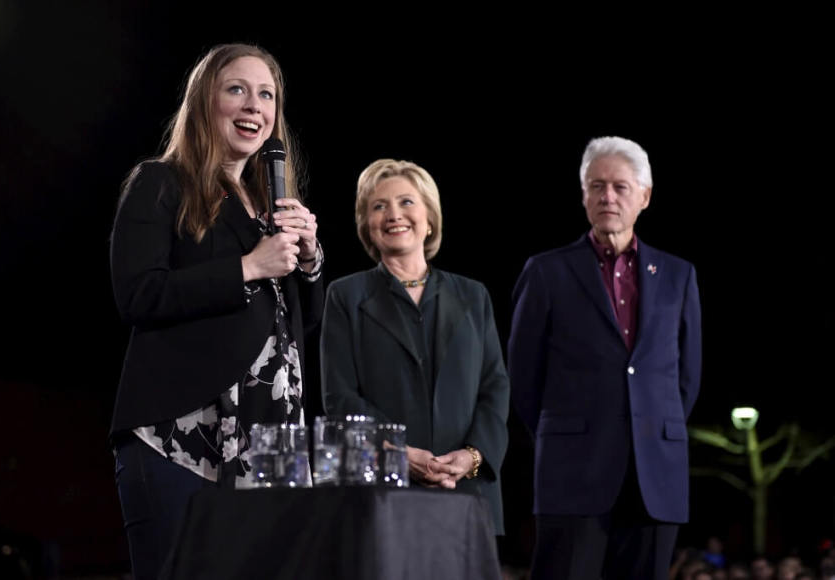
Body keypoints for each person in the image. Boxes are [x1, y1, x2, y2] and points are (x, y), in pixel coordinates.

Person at [109, 43, 323, 579]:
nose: (254, 105)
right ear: (205, 102)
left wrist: (310, 261)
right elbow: (138, 293)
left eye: (267, 94)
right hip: (183, 435)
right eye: (237, 89)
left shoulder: (269, 208)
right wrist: (248, 267)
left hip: (272, 446)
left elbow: (299, 326)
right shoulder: (161, 182)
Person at [508, 136, 702, 579]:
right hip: (572, 472)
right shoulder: (546, 271)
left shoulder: (678, 275)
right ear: (583, 195)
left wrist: (648, 428)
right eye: (596, 186)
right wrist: (566, 436)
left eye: (619, 187)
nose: (607, 197)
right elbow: (523, 378)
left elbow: (687, 377)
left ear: (645, 196)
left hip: (655, 475)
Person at [320, 158, 510, 534]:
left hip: (466, 491)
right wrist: (399, 456)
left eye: (406, 202)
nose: (394, 214)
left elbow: (494, 387)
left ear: (429, 218)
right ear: (366, 226)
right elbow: (339, 397)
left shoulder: (473, 295)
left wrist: (473, 456)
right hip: (382, 492)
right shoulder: (344, 296)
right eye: (379, 206)